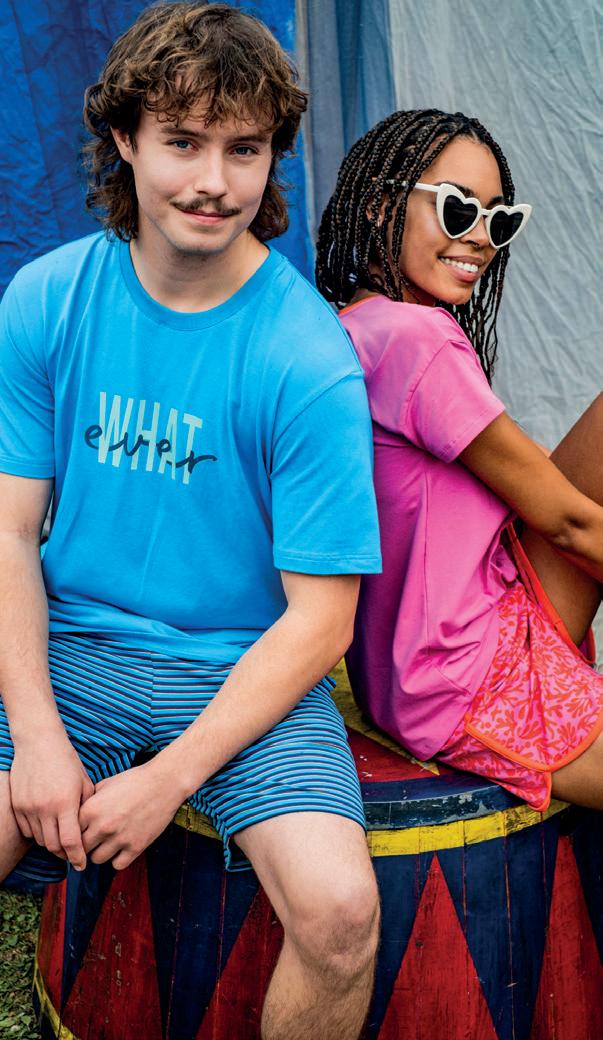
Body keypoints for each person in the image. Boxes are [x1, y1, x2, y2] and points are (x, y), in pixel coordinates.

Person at [0, 5, 383, 1038]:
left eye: (244, 149)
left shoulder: (309, 358)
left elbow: (321, 620)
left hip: (243, 668)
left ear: (272, 159)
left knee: (341, 914)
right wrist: (36, 737)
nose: (213, 181)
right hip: (76, 650)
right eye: (182, 141)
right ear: (124, 138)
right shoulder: (46, 300)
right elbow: (8, 534)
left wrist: (169, 779)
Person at [316, 108, 603, 815]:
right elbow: (566, 523)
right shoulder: (419, 341)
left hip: (409, 659)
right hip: (464, 676)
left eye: (498, 220)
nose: (479, 237)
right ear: (381, 207)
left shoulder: (357, 326)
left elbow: (529, 475)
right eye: (456, 209)